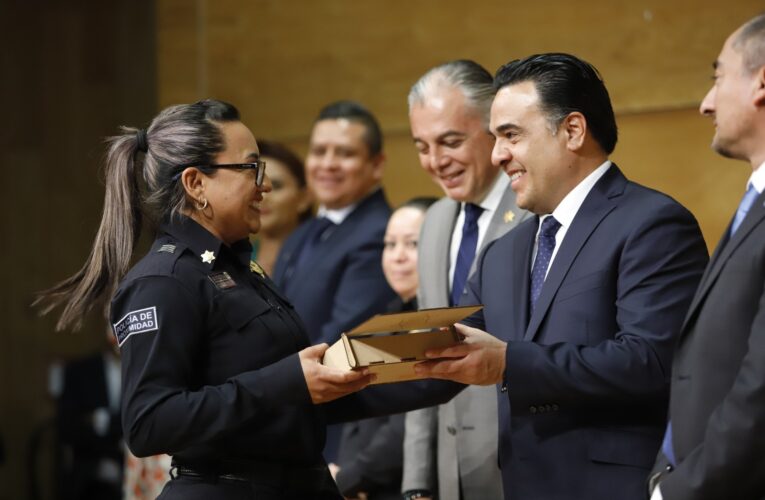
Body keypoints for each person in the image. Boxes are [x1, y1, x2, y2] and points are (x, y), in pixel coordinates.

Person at [35, 99, 459, 500]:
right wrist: (285, 381)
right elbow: (149, 423)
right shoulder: (164, 281)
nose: (266, 185)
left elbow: (300, 394)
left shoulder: (238, 267)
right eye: (252, 169)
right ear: (196, 183)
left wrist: (439, 370)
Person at [413, 54, 709, 500]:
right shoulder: (503, 253)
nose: (497, 156)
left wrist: (510, 361)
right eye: (495, 138)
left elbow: (653, 361)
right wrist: (321, 389)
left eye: (511, 135)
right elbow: (446, 347)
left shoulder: (653, 223)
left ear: (572, 130)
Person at [648, 14, 765, 500]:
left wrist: (680, 491)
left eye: (718, 78)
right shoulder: (754, 203)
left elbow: (760, 387)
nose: (705, 103)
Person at [403, 60, 529, 500]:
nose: (436, 162)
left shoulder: (534, 212)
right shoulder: (434, 221)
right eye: (422, 146)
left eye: (450, 142)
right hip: (448, 469)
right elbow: (424, 347)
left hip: (519, 460)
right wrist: (416, 480)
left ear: (492, 130)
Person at [273, 100, 396, 461]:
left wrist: (263, 385)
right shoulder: (303, 233)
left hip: (339, 432)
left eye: (344, 153)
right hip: (294, 414)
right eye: (318, 151)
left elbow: (342, 339)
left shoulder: (380, 233)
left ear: (376, 165)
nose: (327, 164)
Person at [333, 197, 437, 500]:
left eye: (412, 244)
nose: (397, 257)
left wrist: (351, 477)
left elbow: (408, 423)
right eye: (390, 245)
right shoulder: (387, 319)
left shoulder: (444, 324)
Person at [249, 140, 312, 274]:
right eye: (257, 185)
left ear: (304, 198)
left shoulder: (322, 256)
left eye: (276, 186)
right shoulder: (236, 259)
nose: (263, 196)